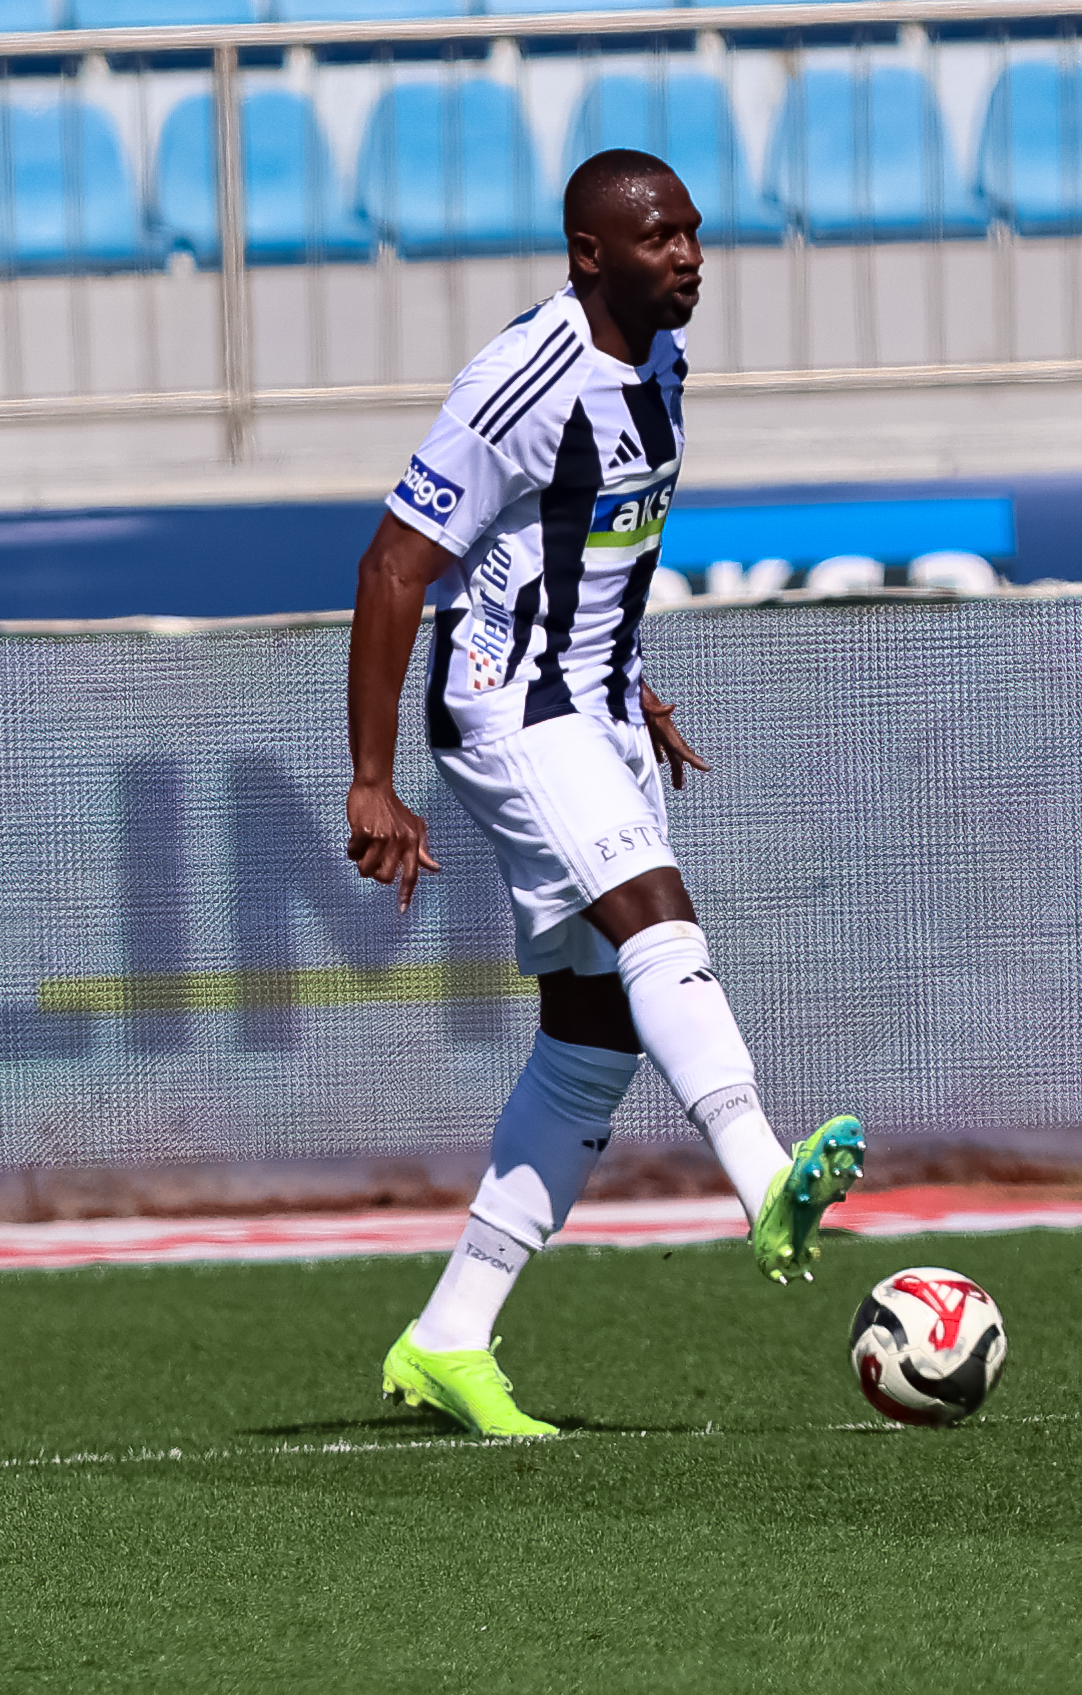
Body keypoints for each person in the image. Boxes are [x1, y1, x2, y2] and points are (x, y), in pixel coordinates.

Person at [343, 145, 864, 1439]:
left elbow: (593, 548)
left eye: (694, 233)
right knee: (654, 911)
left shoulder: (666, 365)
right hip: (509, 705)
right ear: (589, 254)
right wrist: (371, 779)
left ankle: (447, 1338)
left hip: (596, 708)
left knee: (592, 1035)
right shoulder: (524, 375)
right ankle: (763, 1177)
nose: (689, 257)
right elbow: (394, 565)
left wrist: (636, 686)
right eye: (659, 238)